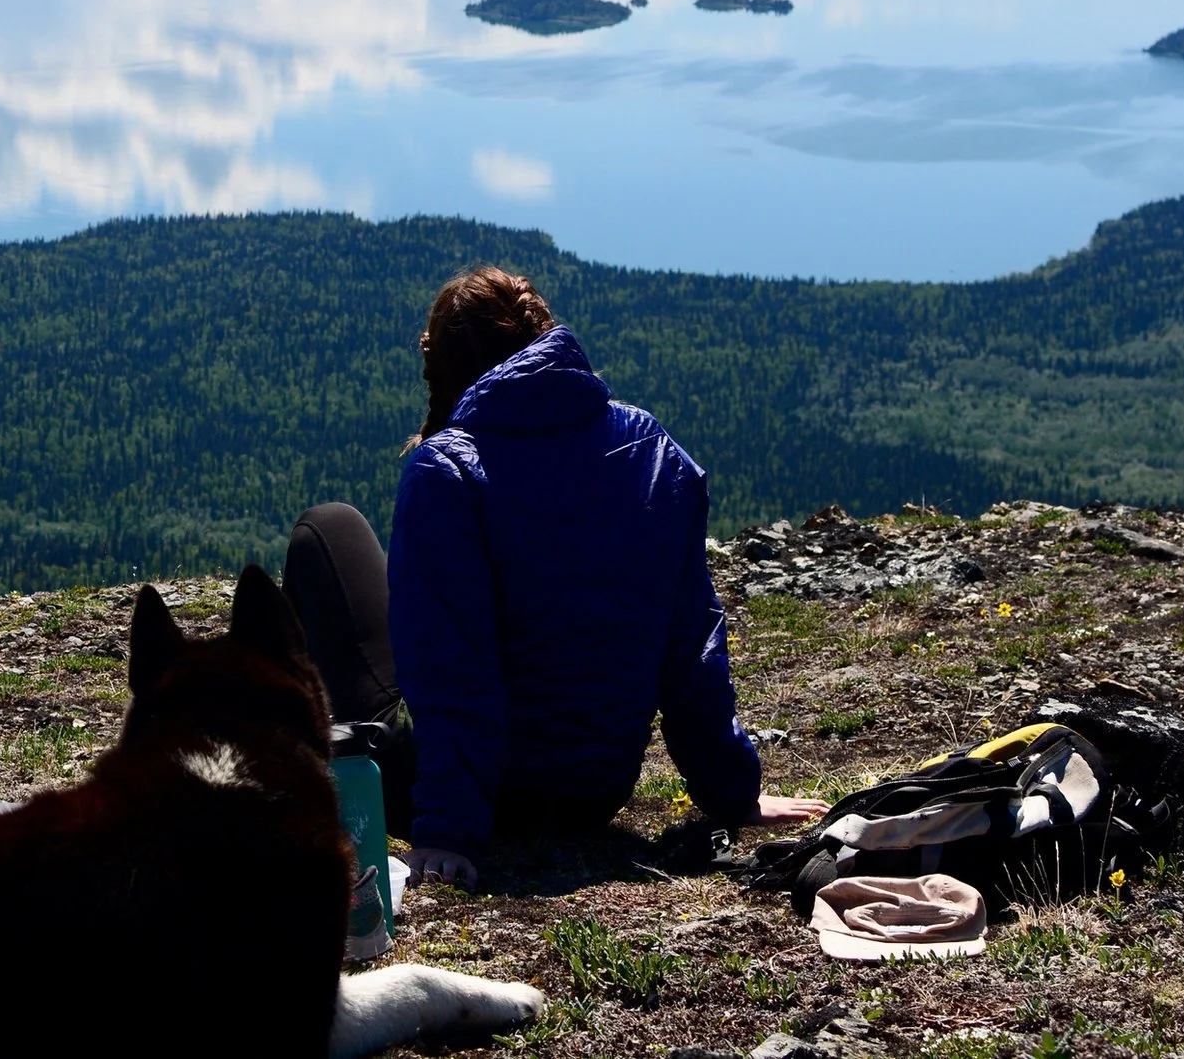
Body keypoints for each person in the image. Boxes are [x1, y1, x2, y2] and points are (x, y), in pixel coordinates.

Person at [282, 266, 821, 893]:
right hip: (595, 793)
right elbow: (690, 647)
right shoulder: (650, 448)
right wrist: (733, 794)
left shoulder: (448, 470)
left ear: (443, 366)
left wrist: (449, 831)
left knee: (328, 532)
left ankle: (298, 772)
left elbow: (451, 664)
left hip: (480, 803)